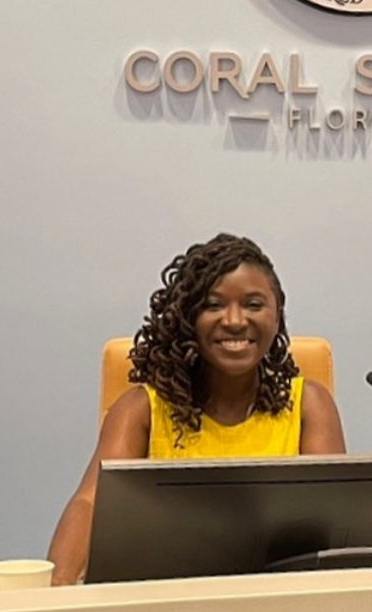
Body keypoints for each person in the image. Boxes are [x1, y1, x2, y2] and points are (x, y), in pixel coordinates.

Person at [48, 233, 346, 585]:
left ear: (277, 316)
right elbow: (90, 504)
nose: (235, 320)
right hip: (168, 609)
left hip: (279, 609)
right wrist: (57, 593)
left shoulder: (309, 404)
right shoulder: (141, 410)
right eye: (214, 305)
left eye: (253, 304)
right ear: (187, 318)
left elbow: (332, 525)